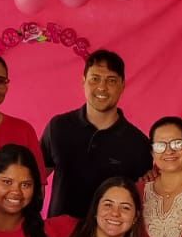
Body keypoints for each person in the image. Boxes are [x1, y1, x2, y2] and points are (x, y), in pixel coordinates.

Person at [41, 49, 152, 218]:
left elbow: (143, 200)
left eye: (111, 80)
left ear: (123, 85)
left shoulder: (138, 144)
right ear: (83, 81)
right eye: (95, 79)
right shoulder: (58, 127)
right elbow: (34, 178)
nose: (102, 87)